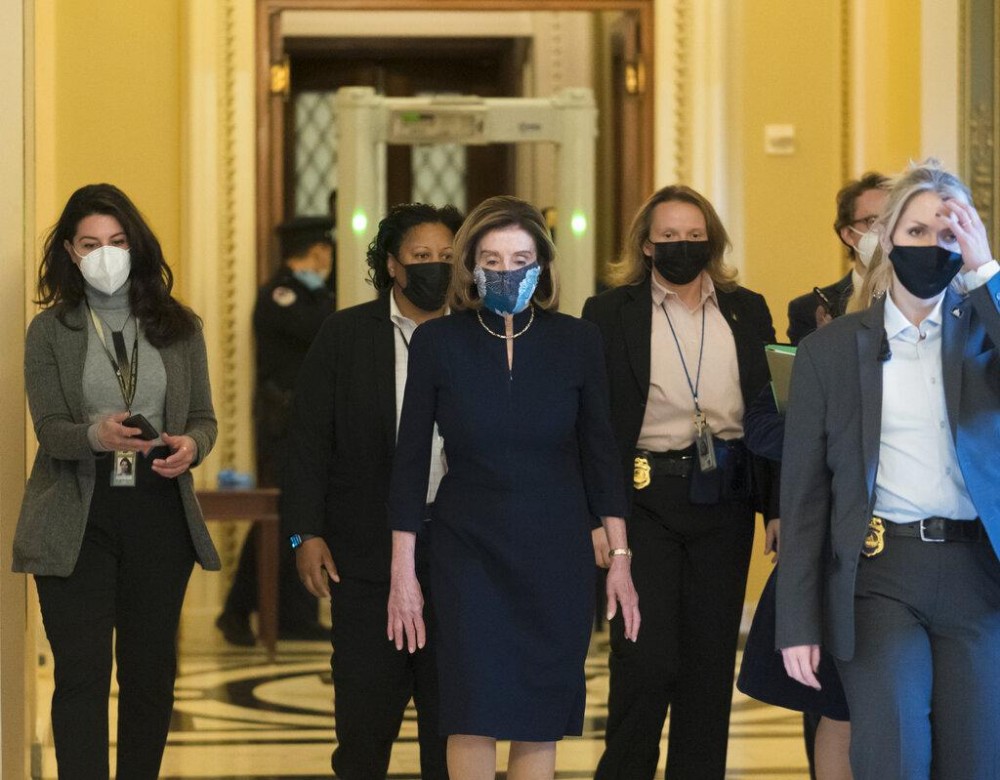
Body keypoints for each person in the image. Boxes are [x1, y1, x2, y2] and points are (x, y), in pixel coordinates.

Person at [387, 195, 640, 780]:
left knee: (538, 711)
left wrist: (620, 557)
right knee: (470, 708)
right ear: (471, 267)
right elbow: (408, 464)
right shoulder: (437, 343)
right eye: (493, 260)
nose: (507, 272)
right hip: (466, 549)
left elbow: (601, 455)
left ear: (543, 265)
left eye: (521, 259)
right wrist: (404, 572)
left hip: (555, 551)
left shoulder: (578, 342)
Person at [777, 160, 1000, 779]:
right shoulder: (830, 349)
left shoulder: (986, 334)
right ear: (886, 239)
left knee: (975, 759)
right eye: (917, 232)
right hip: (880, 576)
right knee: (895, 754)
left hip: (977, 574)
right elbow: (803, 498)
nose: (933, 247)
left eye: (949, 233)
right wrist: (797, 622)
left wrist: (985, 273)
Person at [13, 183, 219, 778]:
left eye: (118, 241)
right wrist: (94, 436)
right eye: (91, 243)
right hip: (77, 516)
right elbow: (50, 429)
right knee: (80, 675)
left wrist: (191, 446)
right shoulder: (50, 332)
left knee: (150, 676)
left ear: (137, 246)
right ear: (71, 254)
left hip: (158, 509)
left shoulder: (180, 327)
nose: (106, 253)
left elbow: (203, 419)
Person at [583, 184, 780, 779]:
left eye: (695, 237)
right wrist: (597, 515)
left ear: (712, 242)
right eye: (669, 237)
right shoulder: (609, 312)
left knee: (707, 666)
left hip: (724, 499)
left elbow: (768, 411)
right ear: (646, 245)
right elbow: (593, 425)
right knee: (645, 661)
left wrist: (775, 507)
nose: (682, 247)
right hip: (643, 502)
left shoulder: (748, 309)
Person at [283, 203, 463, 780]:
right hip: (365, 559)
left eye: (447, 257)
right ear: (392, 265)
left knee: (453, 727)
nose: (435, 266)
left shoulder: (479, 334)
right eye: (421, 257)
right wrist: (303, 532)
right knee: (364, 725)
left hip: (459, 557)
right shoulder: (345, 335)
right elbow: (307, 440)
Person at [216, 216, 335, 646]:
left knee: (297, 517)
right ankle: (236, 611)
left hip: (307, 424)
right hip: (284, 426)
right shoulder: (283, 295)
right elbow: (317, 329)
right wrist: (322, 295)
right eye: (326, 250)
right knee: (282, 516)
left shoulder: (313, 294)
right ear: (317, 251)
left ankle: (294, 614)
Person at [787, 172, 890, 344]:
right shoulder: (810, 308)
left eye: (892, 220)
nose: (885, 230)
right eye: (873, 221)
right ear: (848, 234)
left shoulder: (920, 301)